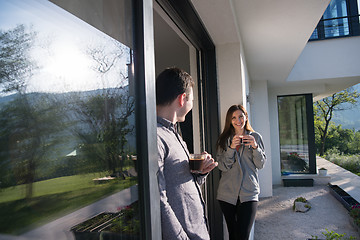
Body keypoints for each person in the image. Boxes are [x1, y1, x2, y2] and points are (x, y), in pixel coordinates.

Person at [156, 67, 218, 240]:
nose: (192, 104)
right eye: (192, 99)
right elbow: (158, 201)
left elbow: (179, 185)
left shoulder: (175, 134)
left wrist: (200, 173)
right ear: (182, 99)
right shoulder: (157, 137)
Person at [216, 104, 266, 240]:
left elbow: (260, 164)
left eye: (240, 116)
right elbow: (222, 166)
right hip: (227, 194)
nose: (238, 120)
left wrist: (255, 147)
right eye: (234, 118)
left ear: (246, 117)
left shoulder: (256, 137)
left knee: (243, 235)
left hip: (249, 193)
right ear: (229, 120)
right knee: (233, 235)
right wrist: (231, 148)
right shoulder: (223, 140)